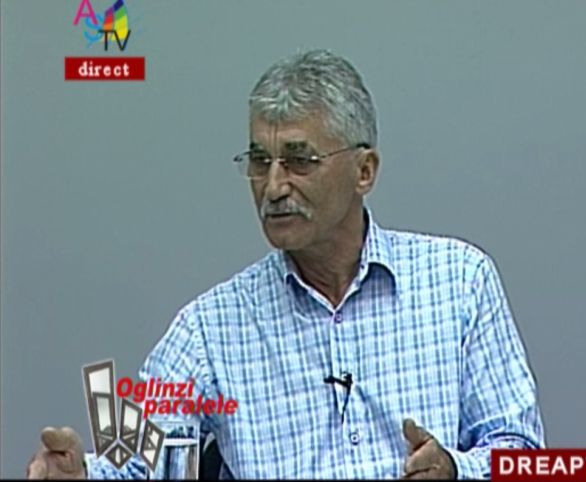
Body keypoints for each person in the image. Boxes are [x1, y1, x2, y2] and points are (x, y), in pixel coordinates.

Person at [26, 49, 545, 480]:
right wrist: (84, 474)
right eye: (259, 162)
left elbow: (521, 453)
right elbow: (139, 461)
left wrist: (455, 469)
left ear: (364, 171)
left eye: (299, 161)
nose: (273, 187)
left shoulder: (459, 281)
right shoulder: (210, 328)